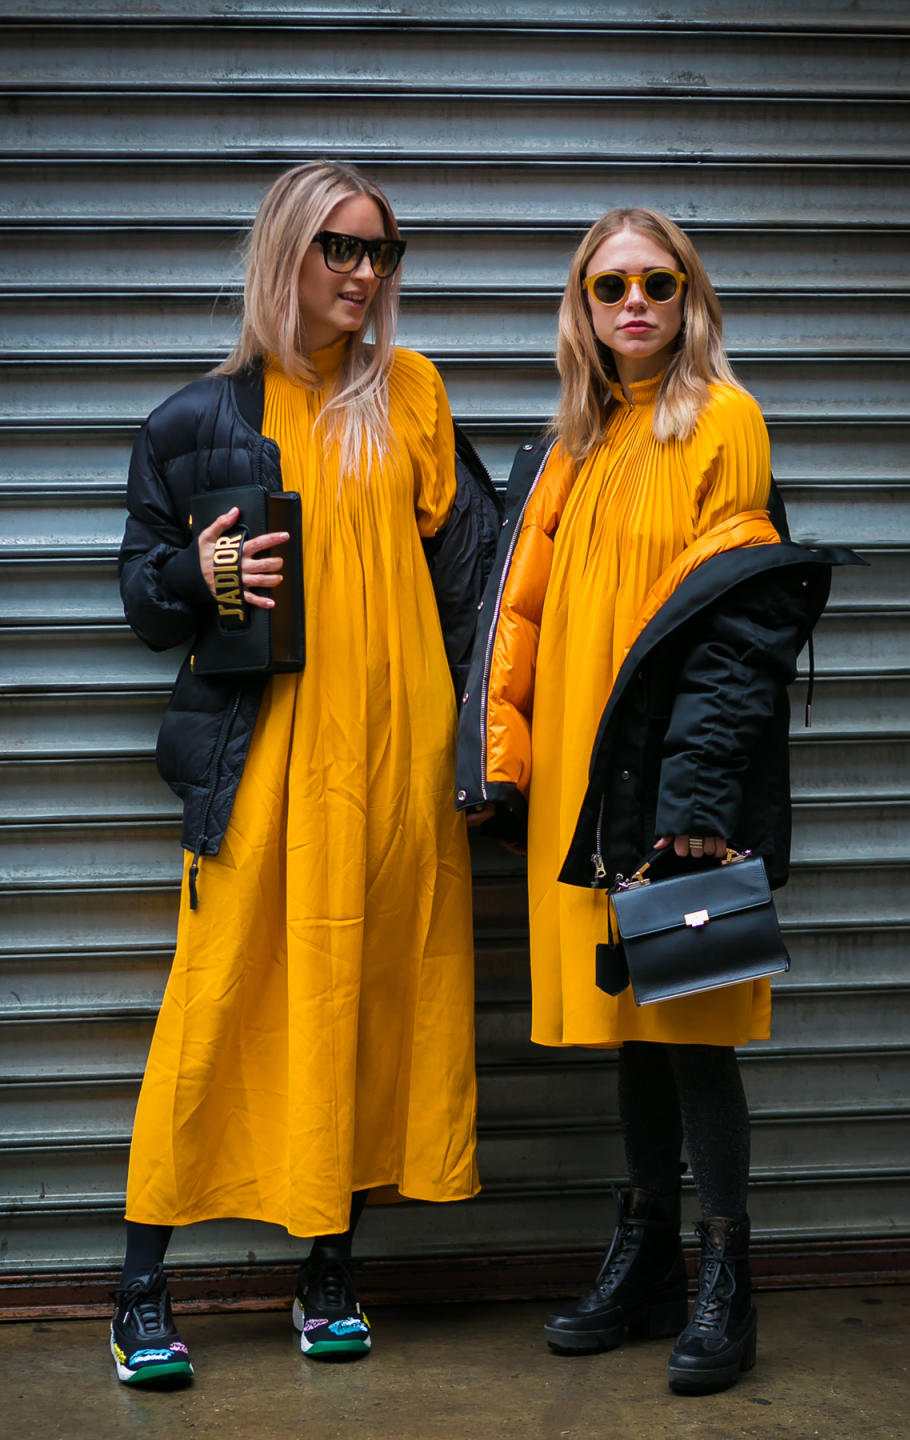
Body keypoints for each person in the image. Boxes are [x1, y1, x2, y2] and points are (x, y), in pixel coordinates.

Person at [113, 159, 500, 1387]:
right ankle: (139, 1289)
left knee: (368, 1008)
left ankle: (328, 1269)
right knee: (214, 1011)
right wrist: (197, 577)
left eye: (381, 251)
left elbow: (478, 578)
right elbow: (141, 598)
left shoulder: (416, 395)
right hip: (265, 764)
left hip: (393, 771)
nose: (364, 273)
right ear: (287, 253)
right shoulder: (199, 419)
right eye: (340, 247)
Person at [456, 208, 854, 1396]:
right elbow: (518, 621)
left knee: (696, 1032)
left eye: (658, 282)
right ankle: (646, 1266)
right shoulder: (578, 443)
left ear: (690, 300)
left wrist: (698, 794)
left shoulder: (719, 421)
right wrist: (502, 766)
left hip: (681, 790)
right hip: (592, 791)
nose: (635, 302)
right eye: (609, 285)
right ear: (582, 309)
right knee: (630, 1026)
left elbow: (740, 627)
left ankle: (726, 1276)